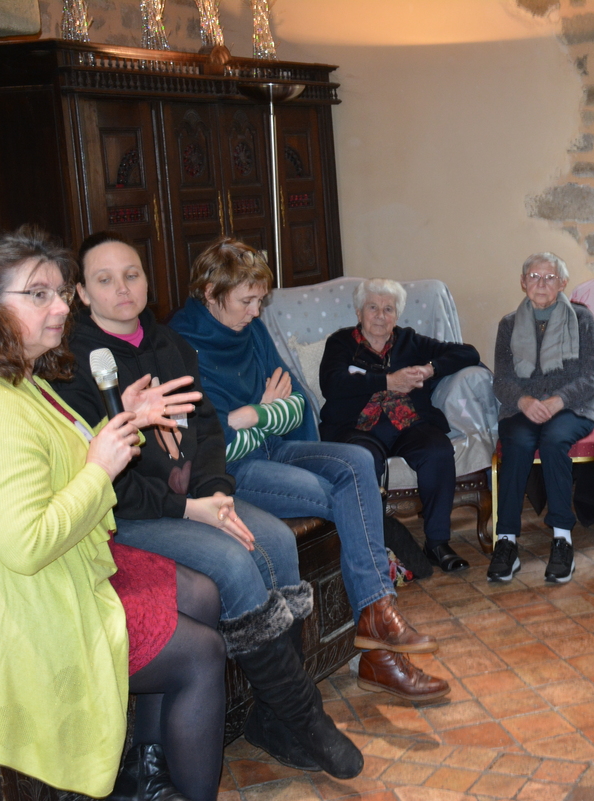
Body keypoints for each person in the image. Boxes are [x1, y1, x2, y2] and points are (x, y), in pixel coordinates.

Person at [0, 229, 225, 801]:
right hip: (2, 603)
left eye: (59, 292)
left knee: (200, 594)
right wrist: (101, 469)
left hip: (30, 568)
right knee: (203, 654)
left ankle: (145, 778)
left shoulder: (9, 377)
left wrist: (120, 423)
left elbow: (59, 458)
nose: (61, 307)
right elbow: (27, 543)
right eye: (38, 295)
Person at [52, 233, 365, 776]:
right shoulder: (73, 364)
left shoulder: (168, 342)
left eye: (132, 274)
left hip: (194, 498)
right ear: (80, 292)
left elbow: (207, 428)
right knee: (231, 561)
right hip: (126, 514)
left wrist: (217, 491)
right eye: (104, 279)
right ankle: (303, 716)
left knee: (274, 542)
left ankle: (269, 717)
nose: (123, 288)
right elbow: (103, 474)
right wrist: (190, 511)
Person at [165, 238, 448, 702]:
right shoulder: (180, 343)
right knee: (351, 494)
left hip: (273, 448)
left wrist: (252, 417)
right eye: (247, 301)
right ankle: (379, 642)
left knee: (356, 460)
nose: (256, 313)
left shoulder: (249, 330)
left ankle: (376, 620)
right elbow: (211, 438)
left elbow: (295, 402)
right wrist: (257, 414)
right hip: (231, 471)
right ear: (212, 291)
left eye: (260, 300)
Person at [318, 278, 482, 573]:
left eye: (388, 309)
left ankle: (437, 543)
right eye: (373, 307)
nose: (380, 315)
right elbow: (332, 384)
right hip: (356, 427)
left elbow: (468, 353)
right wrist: (387, 381)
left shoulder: (410, 341)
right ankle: (374, 545)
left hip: (408, 424)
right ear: (359, 312)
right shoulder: (340, 342)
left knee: (437, 449)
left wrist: (430, 368)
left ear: (397, 315)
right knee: (363, 460)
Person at [489, 252, 594, 583]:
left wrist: (558, 400)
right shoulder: (508, 324)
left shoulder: (582, 319)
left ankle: (562, 539)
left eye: (550, 277)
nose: (541, 283)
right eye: (534, 277)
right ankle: (506, 542)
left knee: (554, 440)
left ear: (563, 283)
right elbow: (502, 380)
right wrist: (524, 401)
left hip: (572, 408)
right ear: (523, 283)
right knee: (517, 442)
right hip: (521, 409)